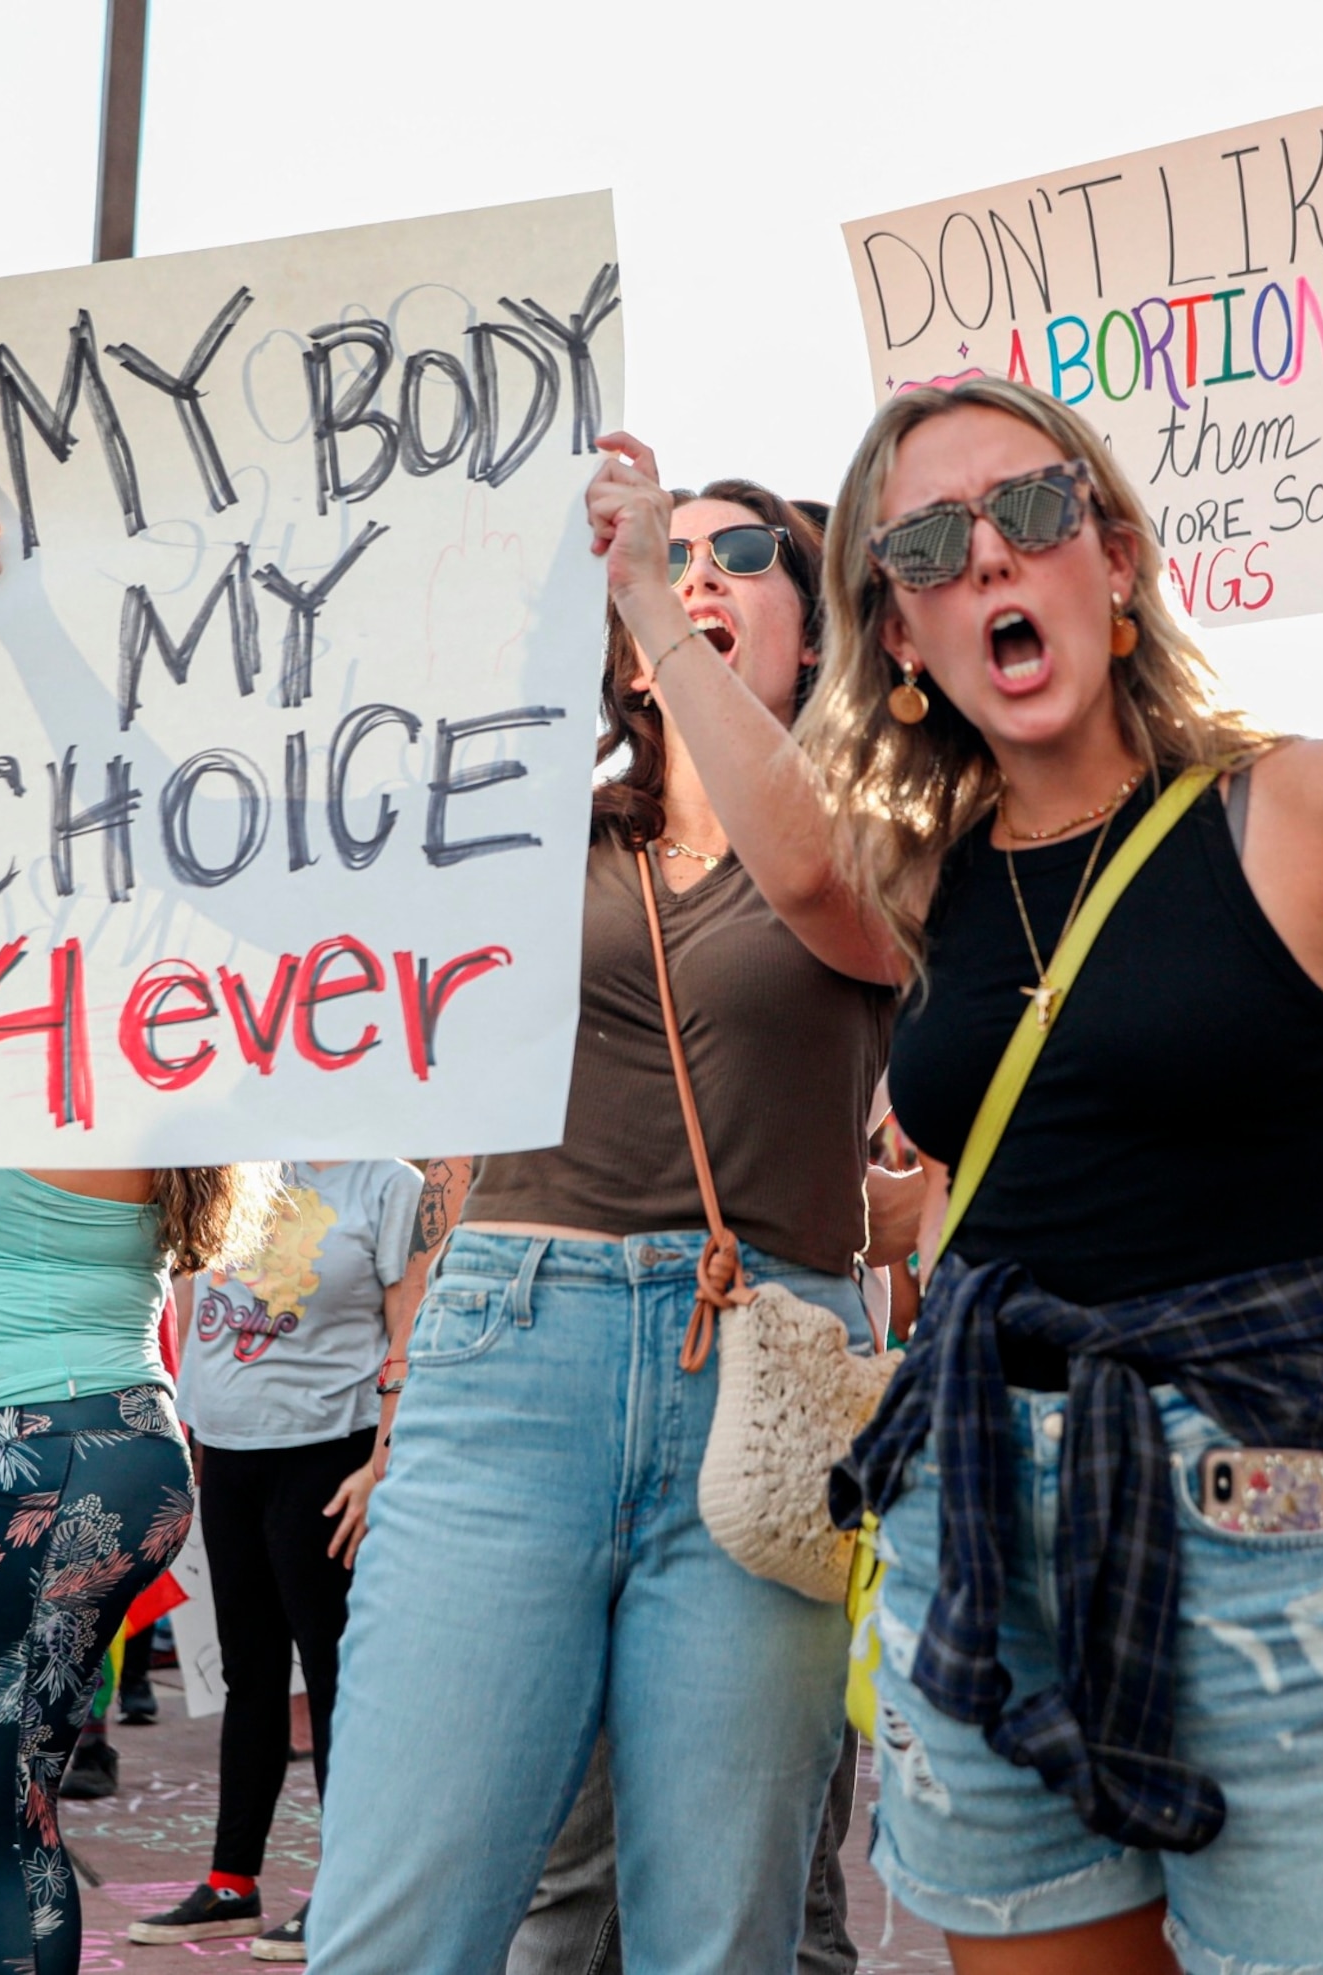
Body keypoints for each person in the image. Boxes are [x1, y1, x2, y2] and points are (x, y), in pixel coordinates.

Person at [597, 374, 1323, 1973]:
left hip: (1261, 1496)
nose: (991, 556)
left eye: (1034, 509)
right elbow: (788, 845)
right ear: (904, 631)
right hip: (981, 1520)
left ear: (1118, 558)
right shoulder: (913, 873)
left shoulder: (1300, 803)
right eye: (932, 542)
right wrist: (654, 602)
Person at [285, 473, 901, 1975]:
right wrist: (9, 643)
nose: (696, 569)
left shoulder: (889, 833)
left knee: (721, 1936)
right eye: (670, 550)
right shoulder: (528, 831)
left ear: (815, 630)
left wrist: (636, 594)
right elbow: (244, 855)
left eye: (740, 554)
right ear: (621, 657)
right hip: (513, 1354)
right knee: (401, 1922)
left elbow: (819, 882)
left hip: (763, 1385)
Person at [0, 536, 267, 1969]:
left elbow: (15, 813)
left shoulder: (100, 1044)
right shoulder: (44, 1017)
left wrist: (9, 625)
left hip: (59, 1455)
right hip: (51, 1454)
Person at [126, 1158, 432, 1956]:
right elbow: (190, 1290)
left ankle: (344, 1892)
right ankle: (232, 1883)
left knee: (335, 1678)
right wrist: (186, 1417)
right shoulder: (233, 1159)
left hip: (330, 1456)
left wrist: (383, 1462)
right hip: (229, 1453)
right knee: (249, 1673)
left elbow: (410, 1320)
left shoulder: (387, 1183)